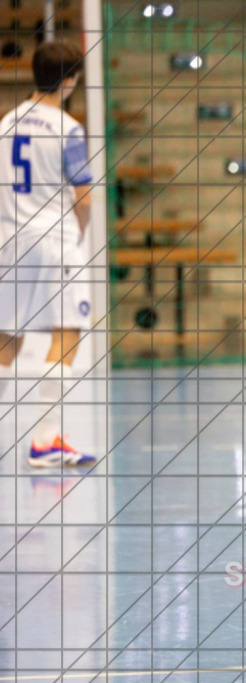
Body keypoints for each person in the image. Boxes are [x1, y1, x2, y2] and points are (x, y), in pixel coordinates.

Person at [0, 41, 96, 467]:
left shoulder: (5, 124)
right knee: (67, 331)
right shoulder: (67, 128)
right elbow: (85, 197)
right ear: (71, 80)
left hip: (8, 240)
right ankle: (46, 440)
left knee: (7, 336)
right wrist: (76, 235)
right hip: (52, 240)